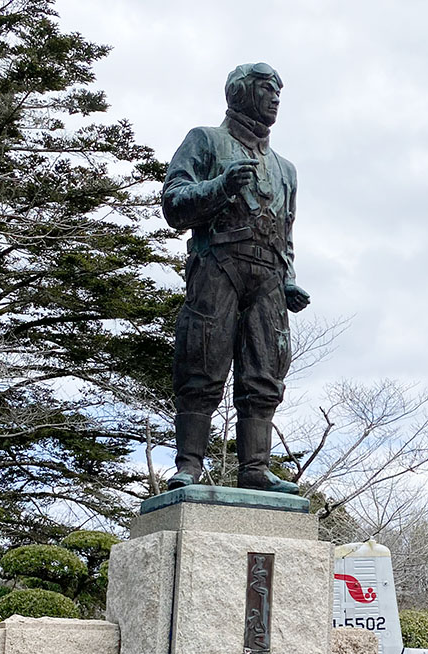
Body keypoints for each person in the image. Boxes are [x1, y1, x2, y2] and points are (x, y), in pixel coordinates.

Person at [162, 62, 310, 493]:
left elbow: (285, 231)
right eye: (267, 88)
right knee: (201, 362)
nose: (276, 97)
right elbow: (174, 205)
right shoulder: (206, 140)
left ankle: (255, 470)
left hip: (267, 278)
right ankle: (189, 464)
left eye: (279, 90)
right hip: (218, 265)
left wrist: (288, 278)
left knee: (265, 373)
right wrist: (221, 186)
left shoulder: (286, 169)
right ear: (241, 92)